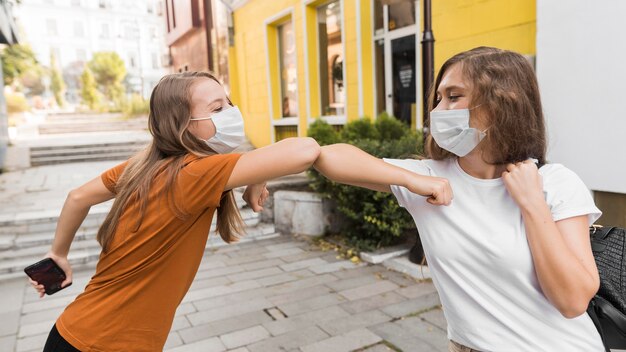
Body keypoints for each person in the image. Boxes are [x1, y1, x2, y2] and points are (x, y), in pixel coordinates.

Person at [30, 71, 445, 352]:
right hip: (107, 345)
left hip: (76, 332)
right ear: (183, 125)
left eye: (228, 102)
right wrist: (412, 180)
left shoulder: (146, 166)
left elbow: (76, 197)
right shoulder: (194, 173)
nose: (230, 113)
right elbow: (305, 149)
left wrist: (59, 254)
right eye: (216, 109)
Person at [312, 47, 603, 351]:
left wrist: (532, 204)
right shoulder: (429, 180)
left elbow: (573, 301)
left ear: (504, 101)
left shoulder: (555, 182)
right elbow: (329, 157)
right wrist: (409, 178)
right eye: (438, 98)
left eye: (454, 96)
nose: (438, 110)